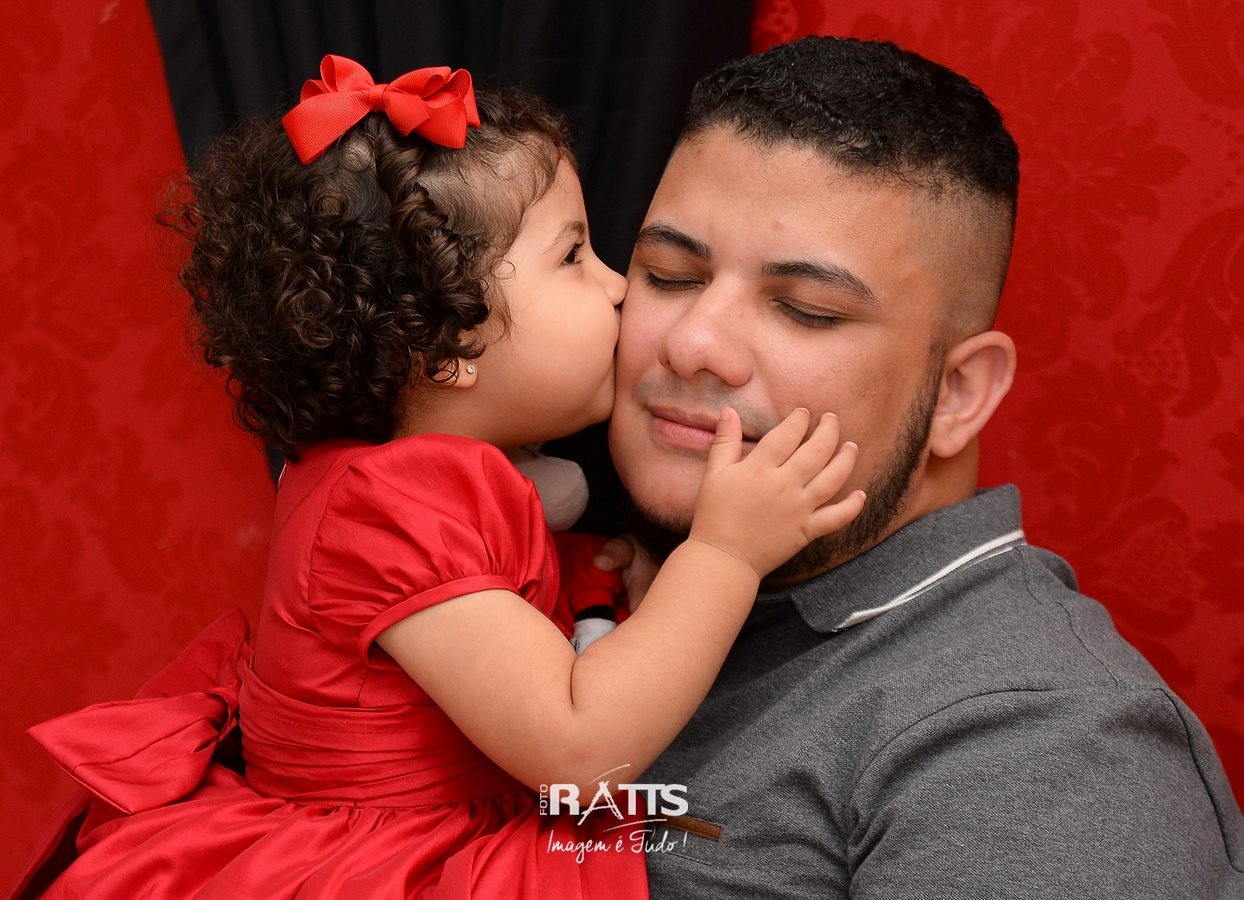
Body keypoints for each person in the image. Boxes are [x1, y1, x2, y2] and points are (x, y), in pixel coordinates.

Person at [18, 55, 868, 898]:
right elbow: (581, 752)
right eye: (573, 256)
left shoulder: (430, 480)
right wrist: (722, 555)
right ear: (447, 346)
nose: (618, 289)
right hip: (383, 869)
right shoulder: (384, 507)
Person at [604, 36, 1244, 899]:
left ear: (956, 394)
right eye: (670, 274)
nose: (694, 343)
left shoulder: (1036, 747)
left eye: (806, 309)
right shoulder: (547, 571)